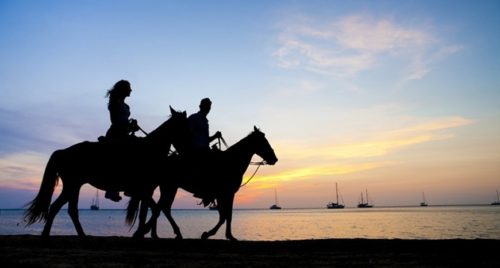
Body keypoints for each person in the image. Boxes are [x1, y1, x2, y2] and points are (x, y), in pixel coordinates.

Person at [104, 80, 139, 202]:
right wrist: (128, 126)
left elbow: (124, 121)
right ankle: (112, 189)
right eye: (129, 88)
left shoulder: (126, 106)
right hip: (115, 134)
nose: (131, 90)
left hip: (124, 133)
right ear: (123, 89)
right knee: (119, 158)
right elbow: (115, 122)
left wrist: (132, 125)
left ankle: (132, 185)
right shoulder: (114, 102)